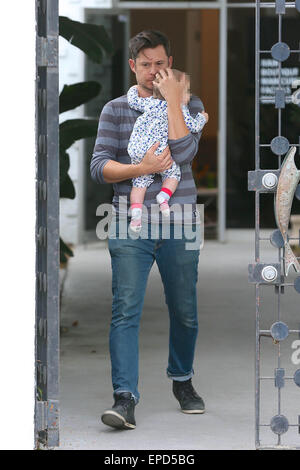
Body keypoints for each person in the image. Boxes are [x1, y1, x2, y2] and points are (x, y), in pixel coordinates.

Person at [90, 30, 207, 430]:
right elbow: (99, 166)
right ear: (132, 66)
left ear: (169, 64)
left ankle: (182, 380)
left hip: (182, 221)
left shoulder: (189, 103)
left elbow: (186, 152)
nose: (153, 71)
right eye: (146, 65)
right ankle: (124, 399)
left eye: (160, 64)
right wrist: (142, 170)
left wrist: (173, 99)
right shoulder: (114, 110)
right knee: (125, 311)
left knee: (185, 311)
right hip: (129, 219)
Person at [127, 71, 208, 232]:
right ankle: (164, 197)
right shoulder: (179, 108)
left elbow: (133, 100)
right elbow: (193, 126)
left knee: (139, 183)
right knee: (173, 174)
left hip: (136, 148)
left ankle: (136, 214)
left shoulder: (149, 102)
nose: (188, 96)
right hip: (159, 151)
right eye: (186, 92)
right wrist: (203, 118)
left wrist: (134, 88)